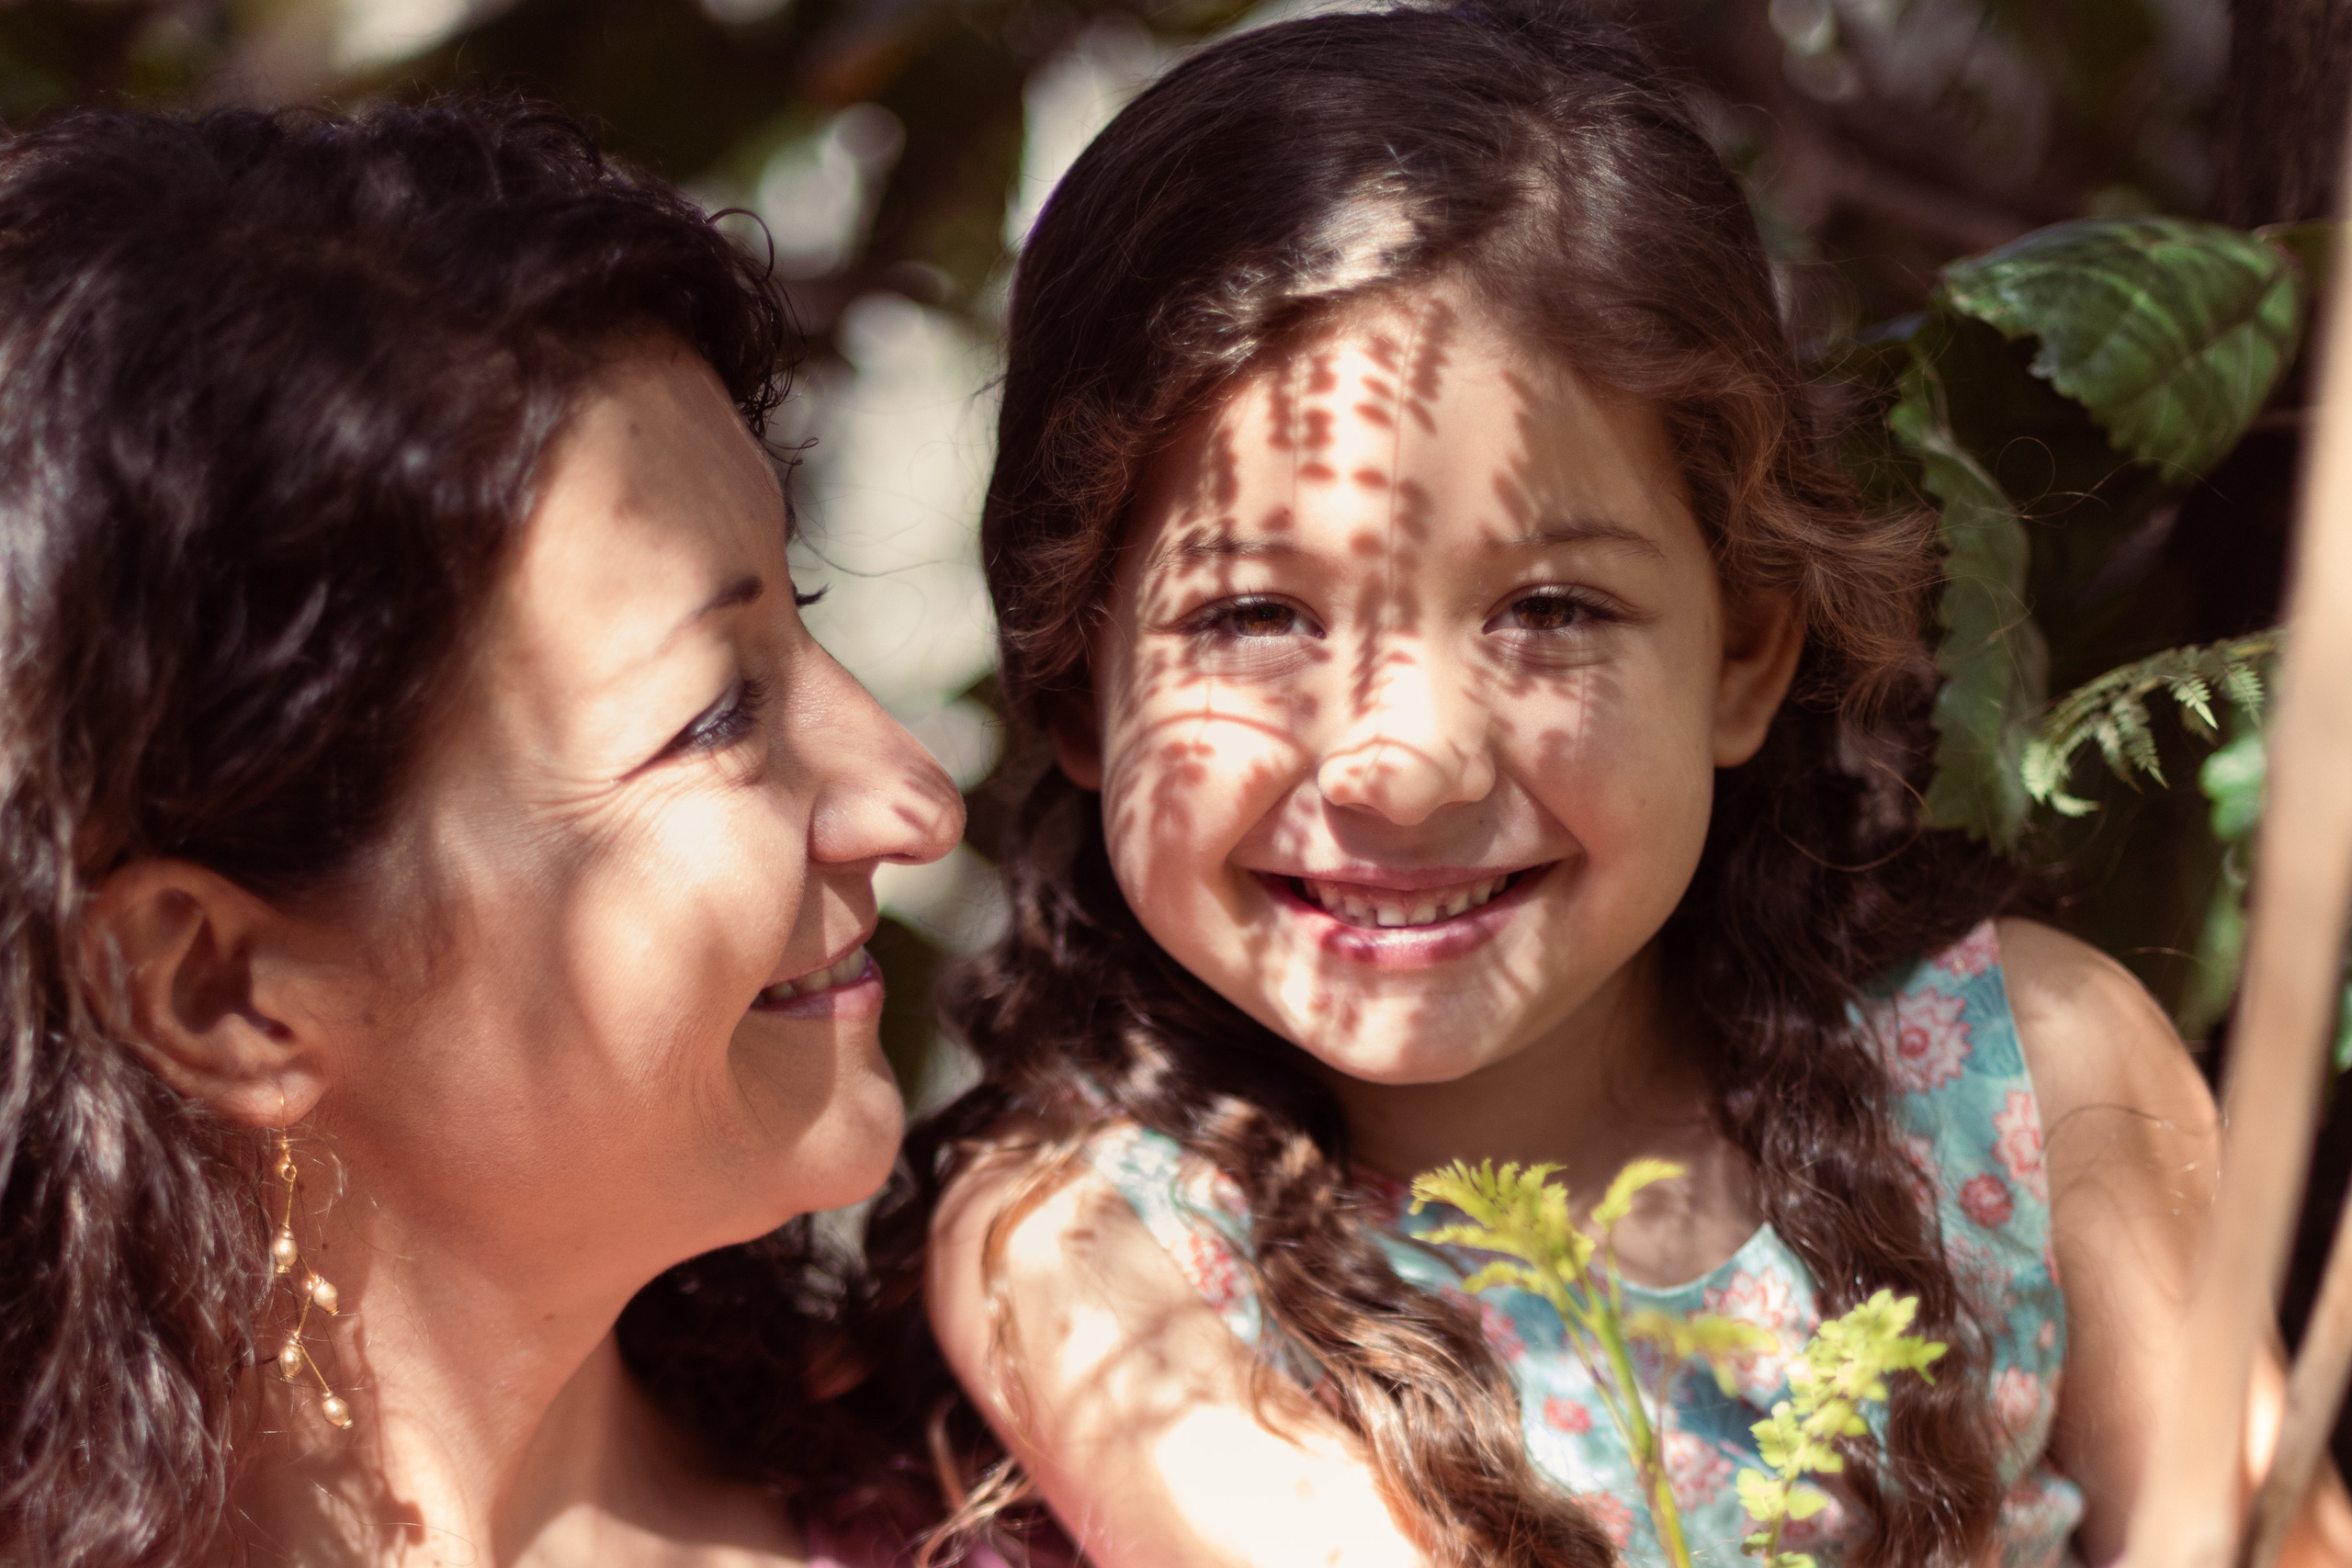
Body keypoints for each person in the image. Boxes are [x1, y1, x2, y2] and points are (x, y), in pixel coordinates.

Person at [872, 6, 2352, 1566]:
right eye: (1254, 617)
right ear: (1074, 689)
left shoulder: (2026, 1081)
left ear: (1746, 654)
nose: (1406, 762)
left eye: (1549, 613)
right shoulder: (1090, 1245)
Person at [0, 99, 965, 1567]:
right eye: (714, 718)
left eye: (803, 613)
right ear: (222, 991)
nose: (916, 801)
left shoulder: (1059, 1466)